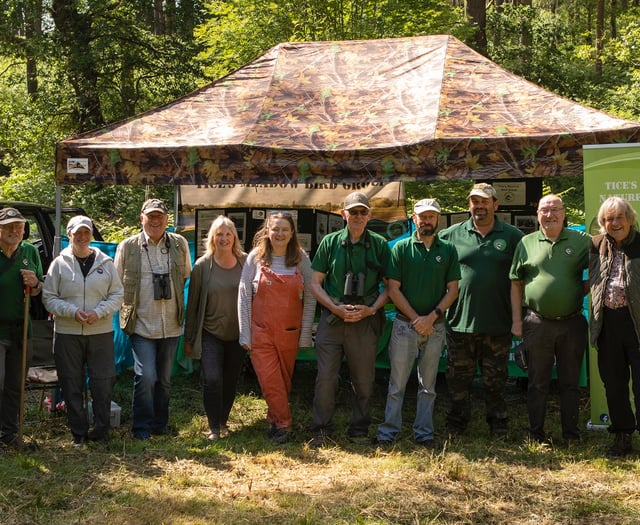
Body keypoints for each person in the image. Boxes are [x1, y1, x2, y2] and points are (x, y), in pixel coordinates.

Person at [439, 183, 524, 437]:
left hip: (497, 322)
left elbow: (523, 277)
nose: (479, 206)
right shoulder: (451, 235)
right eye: (475, 201)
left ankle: (498, 424)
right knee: (457, 380)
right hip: (459, 322)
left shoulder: (512, 236)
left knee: (496, 381)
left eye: (485, 201)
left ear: (496, 205)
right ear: (469, 206)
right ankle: (457, 423)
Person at [376, 199, 460, 448]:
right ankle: (388, 432)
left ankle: (424, 433)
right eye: (422, 217)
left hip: (435, 328)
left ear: (438, 220)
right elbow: (393, 288)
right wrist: (416, 319)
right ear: (414, 219)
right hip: (404, 326)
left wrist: (431, 318)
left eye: (431, 216)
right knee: (396, 384)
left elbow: (453, 289)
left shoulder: (448, 250)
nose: (426, 221)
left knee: (429, 386)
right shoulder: (401, 248)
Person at [310, 192, 391, 447]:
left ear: (369, 215)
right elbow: (314, 283)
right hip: (333, 321)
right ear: (342, 214)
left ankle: (359, 429)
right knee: (325, 378)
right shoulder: (330, 242)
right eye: (352, 212)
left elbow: (391, 286)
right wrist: (334, 308)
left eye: (362, 212)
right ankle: (322, 429)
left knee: (364, 380)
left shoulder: (379, 244)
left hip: (365, 321)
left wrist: (373, 309)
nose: (357, 217)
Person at [510, 194, 590, 445]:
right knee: (537, 382)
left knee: (570, 382)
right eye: (545, 210)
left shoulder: (582, 241)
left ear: (565, 213)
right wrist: (516, 320)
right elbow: (515, 283)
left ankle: (571, 435)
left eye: (555, 209)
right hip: (536, 322)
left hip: (572, 322)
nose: (550, 214)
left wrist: (580, 289)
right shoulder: (526, 242)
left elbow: (602, 268)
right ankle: (536, 434)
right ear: (537, 214)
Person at [42, 216, 124, 446]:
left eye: (86, 232)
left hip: (100, 331)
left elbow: (117, 294)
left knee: (103, 381)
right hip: (68, 333)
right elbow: (49, 297)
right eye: (77, 233)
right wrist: (72, 311)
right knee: (71, 383)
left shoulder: (106, 263)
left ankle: (101, 430)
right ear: (69, 235)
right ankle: (78, 433)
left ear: (91, 235)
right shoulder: (58, 263)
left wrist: (99, 312)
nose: (82, 237)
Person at [114, 198, 192, 440]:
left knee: (165, 380)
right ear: (141, 218)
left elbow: (186, 275)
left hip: (171, 323)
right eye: (151, 216)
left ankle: (160, 425)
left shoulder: (180, 244)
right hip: (142, 324)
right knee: (146, 376)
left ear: (167, 219)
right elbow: (116, 282)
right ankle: (141, 429)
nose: (155, 220)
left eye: (159, 216)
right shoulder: (127, 246)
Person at [237, 211, 316, 444]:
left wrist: (305, 334)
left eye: (284, 229)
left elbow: (311, 296)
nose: (280, 233)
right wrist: (245, 332)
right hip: (260, 331)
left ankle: (274, 419)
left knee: (282, 382)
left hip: (290, 332)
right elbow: (243, 295)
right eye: (275, 229)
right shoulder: (256, 257)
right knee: (270, 380)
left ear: (292, 233)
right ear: (267, 231)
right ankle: (284, 425)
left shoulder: (302, 258)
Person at [184, 216, 247, 442]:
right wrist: (189, 338)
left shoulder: (245, 262)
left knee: (230, 380)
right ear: (212, 237)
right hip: (210, 333)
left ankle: (223, 421)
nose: (224, 238)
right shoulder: (203, 266)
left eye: (228, 234)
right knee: (212, 379)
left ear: (234, 237)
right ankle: (213, 427)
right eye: (219, 234)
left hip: (238, 334)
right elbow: (192, 304)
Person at [589, 196, 640, 457]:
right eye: (609, 219)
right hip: (608, 324)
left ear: (630, 219)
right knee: (614, 384)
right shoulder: (595, 245)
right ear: (602, 223)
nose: (615, 223)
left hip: (637, 326)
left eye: (620, 217)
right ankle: (622, 437)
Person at [0, 208, 43, 450]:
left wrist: (35, 283)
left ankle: (9, 434)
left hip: (21, 331)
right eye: (9, 226)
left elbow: (37, 289)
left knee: (15, 384)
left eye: (19, 226)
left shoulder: (30, 251)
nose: (15, 231)